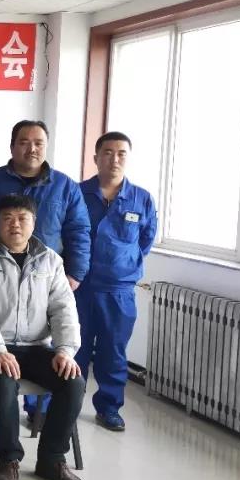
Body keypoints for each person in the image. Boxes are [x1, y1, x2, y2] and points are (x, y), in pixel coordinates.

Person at [0, 195, 86, 480]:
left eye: (22, 218)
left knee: (73, 381)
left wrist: (65, 350)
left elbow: (63, 308)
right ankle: (9, 459)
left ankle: (51, 459)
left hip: (36, 348)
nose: (15, 225)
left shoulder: (51, 260)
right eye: (7, 218)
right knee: (4, 381)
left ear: (33, 223)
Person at [0, 120, 91, 419]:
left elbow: (78, 230)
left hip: (44, 274)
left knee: (51, 353)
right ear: (12, 146)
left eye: (38, 142)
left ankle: (40, 411)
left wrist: (74, 273)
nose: (32, 148)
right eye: (24, 142)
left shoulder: (65, 186)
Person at [77, 132, 157, 432]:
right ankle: (66, 405)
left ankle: (109, 408)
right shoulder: (78, 193)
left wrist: (123, 264)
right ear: (96, 157)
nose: (114, 158)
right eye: (108, 152)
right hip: (80, 287)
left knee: (113, 352)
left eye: (121, 153)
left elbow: (146, 240)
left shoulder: (141, 199)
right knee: (73, 348)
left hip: (119, 291)